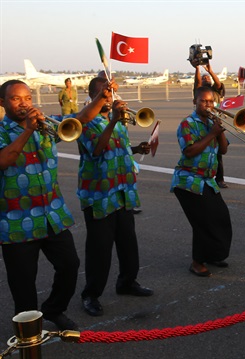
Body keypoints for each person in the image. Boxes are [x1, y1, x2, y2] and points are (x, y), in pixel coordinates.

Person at [0, 79, 114, 330]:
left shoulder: (45, 125)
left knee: (70, 265)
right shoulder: (3, 131)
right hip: (17, 222)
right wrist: (28, 129)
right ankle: (29, 332)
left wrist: (102, 97)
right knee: (23, 283)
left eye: (28, 98)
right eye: (16, 99)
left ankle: (54, 309)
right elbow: (4, 160)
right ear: (2, 103)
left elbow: (82, 118)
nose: (24, 103)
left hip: (52, 216)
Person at [78, 77, 154, 317]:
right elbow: (97, 150)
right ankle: (91, 295)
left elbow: (115, 149)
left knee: (128, 244)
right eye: (103, 94)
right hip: (99, 195)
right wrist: (112, 122)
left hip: (122, 192)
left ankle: (127, 282)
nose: (108, 98)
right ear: (92, 96)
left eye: (110, 94)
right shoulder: (85, 122)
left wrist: (136, 149)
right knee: (99, 250)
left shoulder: (119, 121)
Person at [171, 86, 232, 277]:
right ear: (194, 102)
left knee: (221, 218)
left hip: (207, 180)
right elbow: (189, 151)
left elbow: (223, 150)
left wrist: (219, 131)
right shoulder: (187, 124)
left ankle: (213, 254)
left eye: (210, 101)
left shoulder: (212, 123)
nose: (208, 105)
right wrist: (212, 133)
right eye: (203, 101)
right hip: (188, 180)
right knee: (202, 222)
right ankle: (197, 262)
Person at [192, 61, 228, 188]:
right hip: (202, 122)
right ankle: (203, 177)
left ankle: (220, 179)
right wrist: (197, 69)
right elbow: (197, 83)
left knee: (218, 154)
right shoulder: (199, 91)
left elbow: (218, 83)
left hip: (215, 121)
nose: (205, 78)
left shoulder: (215, 91)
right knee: (202, 150)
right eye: (203, 77)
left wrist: (210, 71)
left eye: (207, 77)